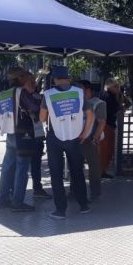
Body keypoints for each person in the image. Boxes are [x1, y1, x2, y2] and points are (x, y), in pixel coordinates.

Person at [39, 66, 93, 219]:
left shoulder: (48, 95)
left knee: (56, 174)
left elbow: (42, 118)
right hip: (75, 137)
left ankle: (60, 210)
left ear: (54, 79)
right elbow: (90, 114)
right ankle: (83, 205)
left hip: (54, 137)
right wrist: (84, 133)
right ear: (68, 78)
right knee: (77, 172)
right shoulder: (79, 92)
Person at [0, 68, 41, 211]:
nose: (30, 81)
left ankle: (3, 199)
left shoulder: (4, 94)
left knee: (7, 168)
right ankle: (17, 202)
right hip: (23, 134)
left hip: (9, 133)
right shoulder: (21, 92)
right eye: (27, 78)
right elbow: (34, 107)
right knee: (22, 168)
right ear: (21, 78)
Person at [78, 80, 107, 201]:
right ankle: (76, 190)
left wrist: (95, 139)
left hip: (90, 139)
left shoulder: (98, 103)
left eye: (81, 89)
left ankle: (95, 193)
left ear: (88, 90)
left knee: (93, 168)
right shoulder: (77, 102)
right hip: (77, 138)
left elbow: (101, 122)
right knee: (75, 166)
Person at [26, 75, 51, 199]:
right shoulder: (30, 97)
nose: (33, 84)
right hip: (29, 134)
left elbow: (42, 116)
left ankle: (37, 188)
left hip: (37, 133)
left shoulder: (37, 96)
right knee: (27, 163)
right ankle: (36, 188)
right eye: (29, 82)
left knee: (35, 163)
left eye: (33, 81)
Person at [98, 78, 126, 179]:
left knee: (107, 150)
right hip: (106, 125)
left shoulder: (108, 95)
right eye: (115, 86)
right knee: (105, 150)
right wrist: (119, 108)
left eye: (118, 86)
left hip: (107, 124)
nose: (118, 88)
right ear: (110, 87)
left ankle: (102, 170)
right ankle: (101, 171)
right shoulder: (108, 96)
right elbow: (110, 109)